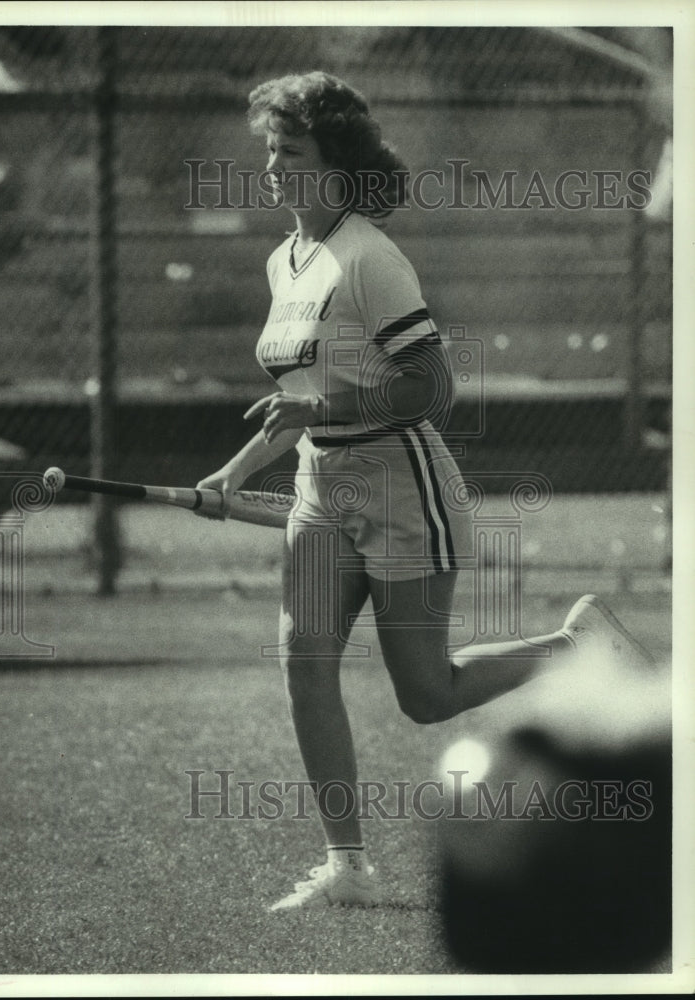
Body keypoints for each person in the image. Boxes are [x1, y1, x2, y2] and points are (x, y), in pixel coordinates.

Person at [196, 71, 654, 911]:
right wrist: (232, 475)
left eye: (287, 151)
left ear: (334, 167)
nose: (269, 165)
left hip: (403, 483)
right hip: (319, 484)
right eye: (268, 148)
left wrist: (322, 407)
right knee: (305, 664)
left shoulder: (370, 258)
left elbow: (430, 387)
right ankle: (348, 867)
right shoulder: (283, 258)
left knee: (424, 696)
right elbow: (299, 401)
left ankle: (575, 645)